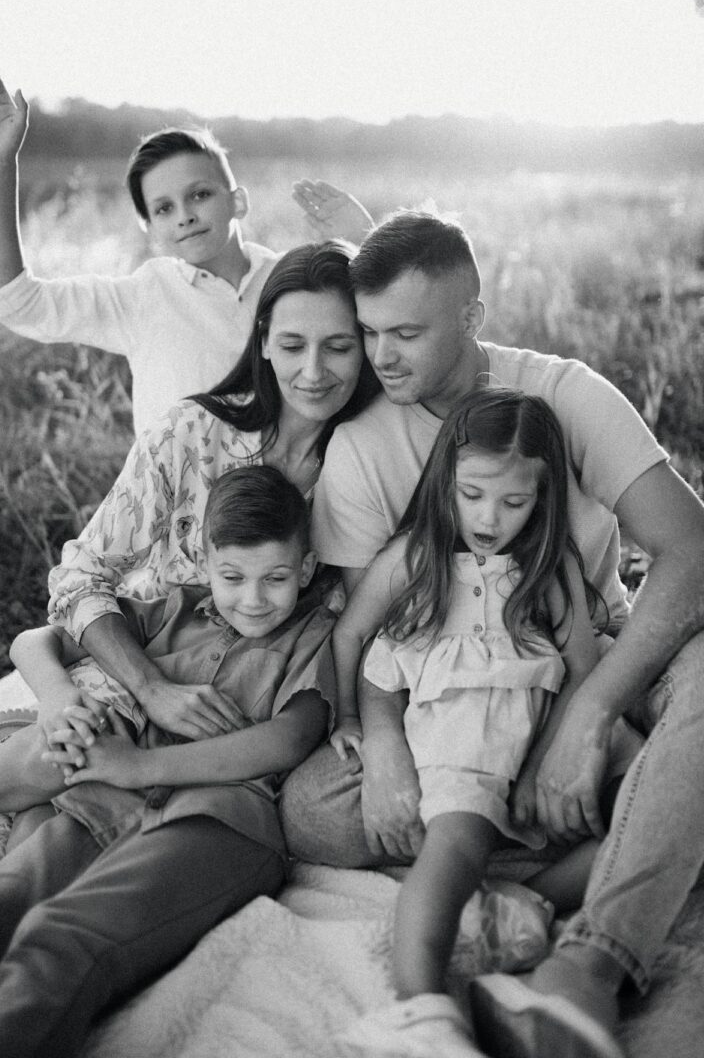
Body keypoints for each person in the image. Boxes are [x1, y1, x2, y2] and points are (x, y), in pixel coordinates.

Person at [280, 211, 704, 1058]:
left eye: (405, 332)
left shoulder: (564, 394)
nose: (382, 356)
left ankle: (589, 963)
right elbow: (371, 635)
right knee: (310, 814)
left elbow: (691, 553)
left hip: (589, 660)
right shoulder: (363, 445)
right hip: (448, 700)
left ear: (472, 317)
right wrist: (387, 747)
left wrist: (585, 720)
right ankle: (599, 855)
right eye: (369, 333)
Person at [0, 238, 377, 838]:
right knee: (66, 750)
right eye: (294, 344)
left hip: (280, 689)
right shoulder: (193, 432)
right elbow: (83, 574)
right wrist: (152, 688)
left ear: (367, 347)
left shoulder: (372, 458)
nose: (314, 371)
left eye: (340, 346)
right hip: (159, 652)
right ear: (265, 339)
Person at [0, 466, 336, 1058]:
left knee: (60, 937)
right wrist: (58, 698)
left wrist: (136, 769)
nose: (253, 599)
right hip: (106, 801)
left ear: (304, 569)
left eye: (276, 578)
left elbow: (288, 741)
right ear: (205, 560)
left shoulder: (315, 634)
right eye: (233, 576)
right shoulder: (173, 610)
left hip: (219, 822)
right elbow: (40, 639)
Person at [333, 387, 631, 1057]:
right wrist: (360, 723)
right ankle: (422, 1006)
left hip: (534, 747)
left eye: (514, 501)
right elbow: (357, 642)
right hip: (462, 745)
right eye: (472, 495)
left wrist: (545, 763)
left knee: (637, 815)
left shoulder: (549, 571)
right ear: (445, 485)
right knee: (453, 848)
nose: (490, 517)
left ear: (543, 496)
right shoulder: (418, 561)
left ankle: (512, 906)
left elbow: (585, 670)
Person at [0, 70, 374, 434]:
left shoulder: (289, 281)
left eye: (199, 194)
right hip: (175, 503)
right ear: (151, 229)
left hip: (273, 503)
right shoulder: (142, 296)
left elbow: (387, 323)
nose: (185, 216)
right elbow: (13, 303)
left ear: (238, 202)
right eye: (164, 208)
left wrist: (367, 240)